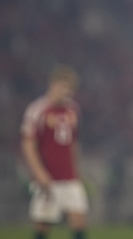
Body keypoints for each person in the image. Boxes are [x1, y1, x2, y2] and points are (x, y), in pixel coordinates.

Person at [21, 64, 88, 239]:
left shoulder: (73, 110)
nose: (67, 92)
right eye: (64, 87)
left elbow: (73, 142)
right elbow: (28, 144)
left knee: (79, 219)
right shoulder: (37, 110)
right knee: (43, 225)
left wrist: (76, 170)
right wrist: (39, 172)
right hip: (48, 177)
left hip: (69, 176)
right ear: (53, 84)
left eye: (70, 88)